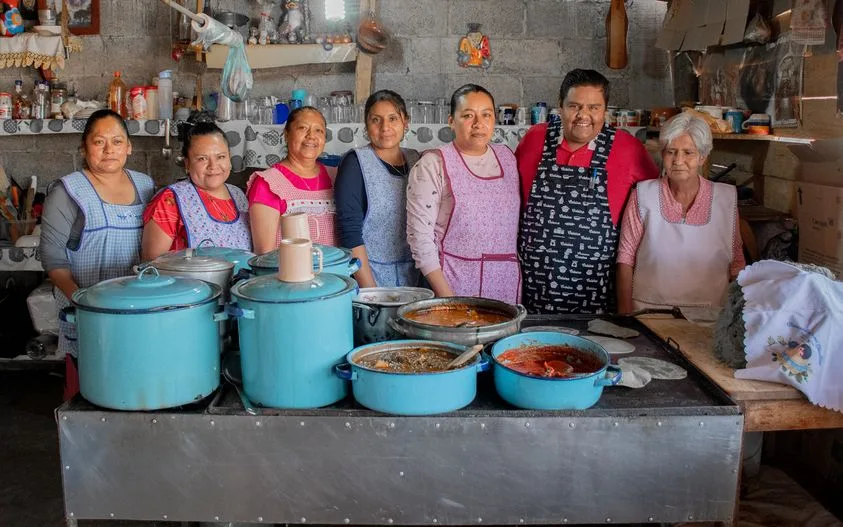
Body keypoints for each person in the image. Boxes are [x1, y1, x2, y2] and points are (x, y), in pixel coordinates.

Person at [515, 69, 659, 314]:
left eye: (594, 107)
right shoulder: (535, 139)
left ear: (605, 110)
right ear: (560, 106)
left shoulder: (628, 149)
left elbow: (657, 205)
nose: (584, 116)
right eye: (574, 106)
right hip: (533, 289)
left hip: (596, 292)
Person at [40, 109, 154, 400]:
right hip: (86, 311)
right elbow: (53, 259)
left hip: (135, 308)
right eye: (99, 142)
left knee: (137, 381)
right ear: (84, 147)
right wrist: (81, 300)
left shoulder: (146, 186)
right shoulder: (67, 192)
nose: (109, 150)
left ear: (129, 147)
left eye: (117, 141)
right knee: (92, 389)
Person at [616, 112, 745, 313]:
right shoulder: (643, 194)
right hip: (648, 313)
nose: (678, 160)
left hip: (710, 316)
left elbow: (737, 264)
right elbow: (625, 260)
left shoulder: (725, 199)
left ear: (702, 157)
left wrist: (736, 317)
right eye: (671, 151)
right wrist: (625, 316)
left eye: (688, 153)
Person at [406, 84, 521, 303]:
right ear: (451, 121)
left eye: (486, 115)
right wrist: (449, 300)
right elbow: (420, 239)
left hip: (505, 283)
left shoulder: (508, 157)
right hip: (454, 284)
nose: (479, 124)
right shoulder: (433, 164)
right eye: (468, 115)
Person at [335, 90, 420, 288]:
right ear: (366, 125)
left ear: (405, 122)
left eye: (393, 118)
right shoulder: (356, 163)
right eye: (376, 120)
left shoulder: (417, 159)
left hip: (416, 278)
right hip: (372, 276)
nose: (385, 127)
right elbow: (350, 232)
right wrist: (372, 294)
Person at [141, 121, 251, 260]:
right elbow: (151, 264)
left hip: (242, 281)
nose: (213, 166)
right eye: (202, 159)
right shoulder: (170, 199)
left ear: (229, 158)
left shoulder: (239, 195)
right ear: (187, 163)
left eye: (221, 157)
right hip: (189, 281)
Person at [247, 106, 335, 254]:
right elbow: (264, 253)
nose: (311, 136)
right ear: (286, 134)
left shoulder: (337, 176)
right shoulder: (269, 183)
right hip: (290, 274)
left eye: (318, 130)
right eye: (302, 128)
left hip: (337, 273)